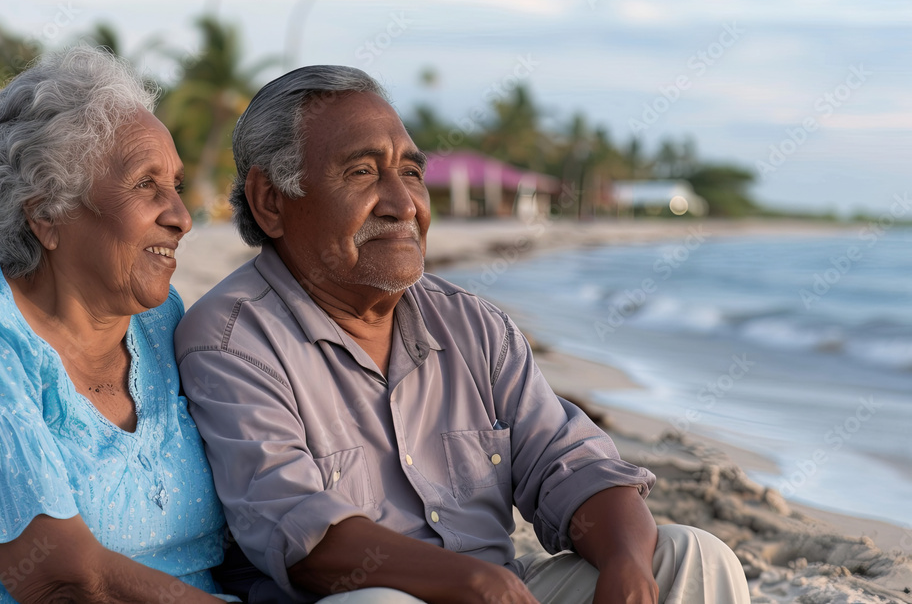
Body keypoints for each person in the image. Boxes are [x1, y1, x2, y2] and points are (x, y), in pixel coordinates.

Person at [175, 66, 751, 603]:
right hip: (374, 598)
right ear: (271, 202)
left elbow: (570, 464)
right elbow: (299, 535)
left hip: (502, 592)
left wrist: (627, 565)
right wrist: (471, 580)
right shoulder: (231, 340)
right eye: (362, 172)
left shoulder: (473, 326)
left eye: (411, 172)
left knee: (689, 555)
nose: (404, 204)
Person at [0, 46, 236, 602]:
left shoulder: (161, 320)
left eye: (177, 186)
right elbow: (59, 577)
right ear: (47, 215)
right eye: (145, 185)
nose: (180, 217)